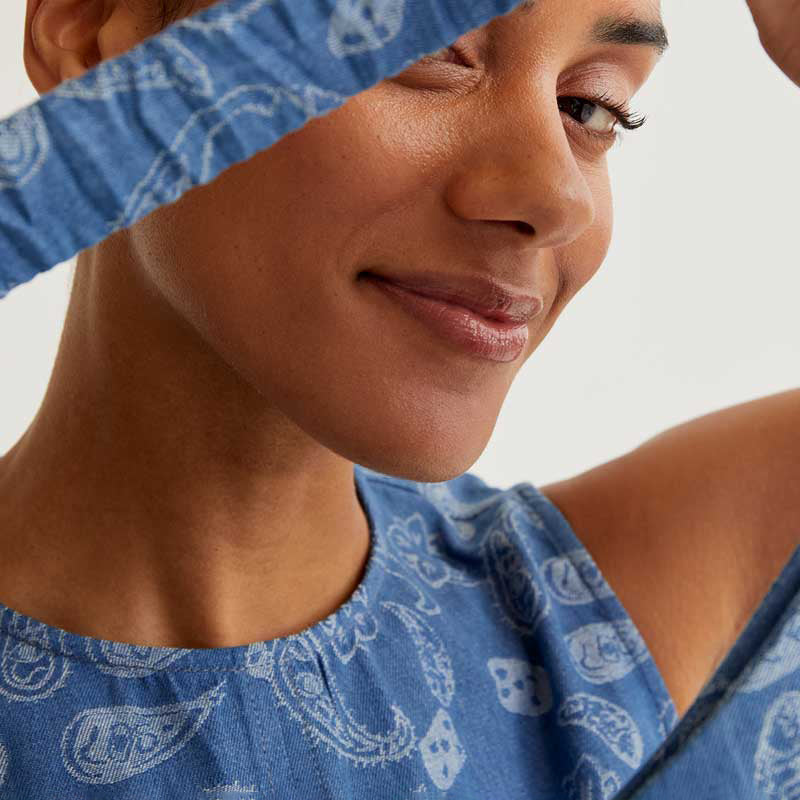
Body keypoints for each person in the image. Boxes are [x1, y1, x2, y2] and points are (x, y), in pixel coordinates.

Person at [0, 0, 797, 796]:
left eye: (589, 107)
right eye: (418, 44)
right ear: (88, 32)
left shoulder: (604, 637)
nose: (557, 197)